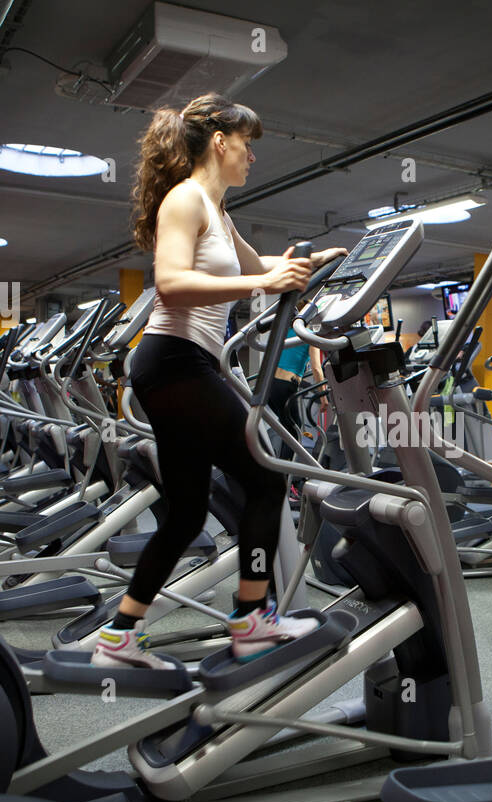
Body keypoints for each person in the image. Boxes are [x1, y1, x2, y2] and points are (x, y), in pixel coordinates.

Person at [92, 92, 345, 669]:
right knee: (263, 478)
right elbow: (173, 284)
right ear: (221, 142)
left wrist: (313, 265)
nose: (252, 157)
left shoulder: (219, 213)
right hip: (175, 360)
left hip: (183, 364)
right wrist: (271, 277)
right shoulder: (186, 200)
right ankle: (252, 618)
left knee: (186, 512)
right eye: (248, 145)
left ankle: (119, 636)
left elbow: (263, 273)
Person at [266, 327, 327, 465]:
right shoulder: (310, 336)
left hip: (270, 384)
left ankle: (282, 471)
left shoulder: (286, 331)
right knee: (295, 432)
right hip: (285, 386)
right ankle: (286, 477)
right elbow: (317, 369)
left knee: (288, 429)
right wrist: (323, 397)